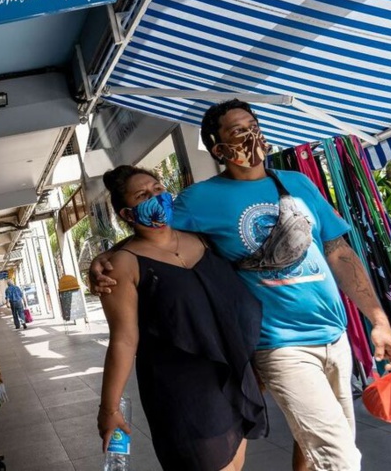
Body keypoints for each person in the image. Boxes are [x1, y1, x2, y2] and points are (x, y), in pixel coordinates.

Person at [91, 100, 391, 471]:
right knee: (341, 459)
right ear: (219, 149)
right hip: (279, 344)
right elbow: (155, 235)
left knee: (322, 443)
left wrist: (378, 320)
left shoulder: (298, 183)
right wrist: (107, 257)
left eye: (254, 125)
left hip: (334, 336)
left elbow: (338, 251)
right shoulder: (201, 199)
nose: (252, 136)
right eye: (239, 131)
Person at [97, 166, 267, 471]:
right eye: (143, 195)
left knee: (235, 464)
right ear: (127, 214)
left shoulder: (203, 239)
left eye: (158, 188)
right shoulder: (124, 264)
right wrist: (108, 408)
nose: (156, 197)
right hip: (180, 388)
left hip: (229, 372)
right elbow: (123, 339)